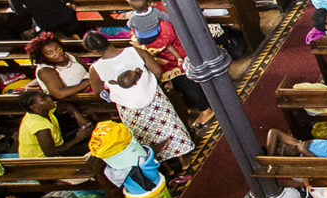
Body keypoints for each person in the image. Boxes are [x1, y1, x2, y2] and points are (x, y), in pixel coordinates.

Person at [83, 32, 195, 165]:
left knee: (146, 136)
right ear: (107, 40)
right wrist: (153, 85)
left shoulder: (95, 69)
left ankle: (159, 164)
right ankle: (183, 158)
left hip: (128, 107)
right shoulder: (134, 51)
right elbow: (157, 71)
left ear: (94, 51)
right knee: (170, 127)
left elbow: (98, 91)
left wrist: (116, 96)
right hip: (153, 97)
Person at [17, 89, 92, 158]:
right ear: (33, 107)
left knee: (90, 130)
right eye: (43, 99)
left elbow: (65, 105)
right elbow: (50, 153)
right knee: (91, 147)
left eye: (46, 96)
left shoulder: (45, 110)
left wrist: (77, 115)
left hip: (58, 144)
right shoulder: (39, 125)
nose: (49, 99)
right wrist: (79, 138)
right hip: (42, 161)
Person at [26, 32, 91, 100]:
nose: (57, 53)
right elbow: (59, 94)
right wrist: (87, 83)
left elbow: (88, 70)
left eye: (58, 48)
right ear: (42, 56)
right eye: (50, 53)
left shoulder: (69, 56)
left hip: (88, 92)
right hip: (73, 101)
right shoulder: (45, 71)